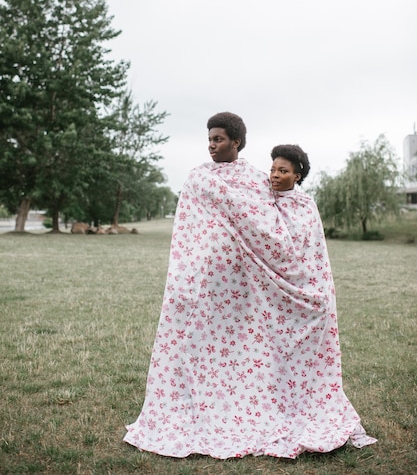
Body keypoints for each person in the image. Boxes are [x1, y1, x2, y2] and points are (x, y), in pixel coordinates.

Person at [123, 121, 377, 459]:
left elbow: (278, 236)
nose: (212, 145)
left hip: (255, 287)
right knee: (208, 346)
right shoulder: (200, 178)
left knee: (255, 346)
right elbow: (189, 229)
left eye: (219, 139)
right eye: (209, 139)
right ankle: (205, 403)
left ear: (236, 142)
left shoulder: (259, 184)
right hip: (211, 284)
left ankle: (268, 405)